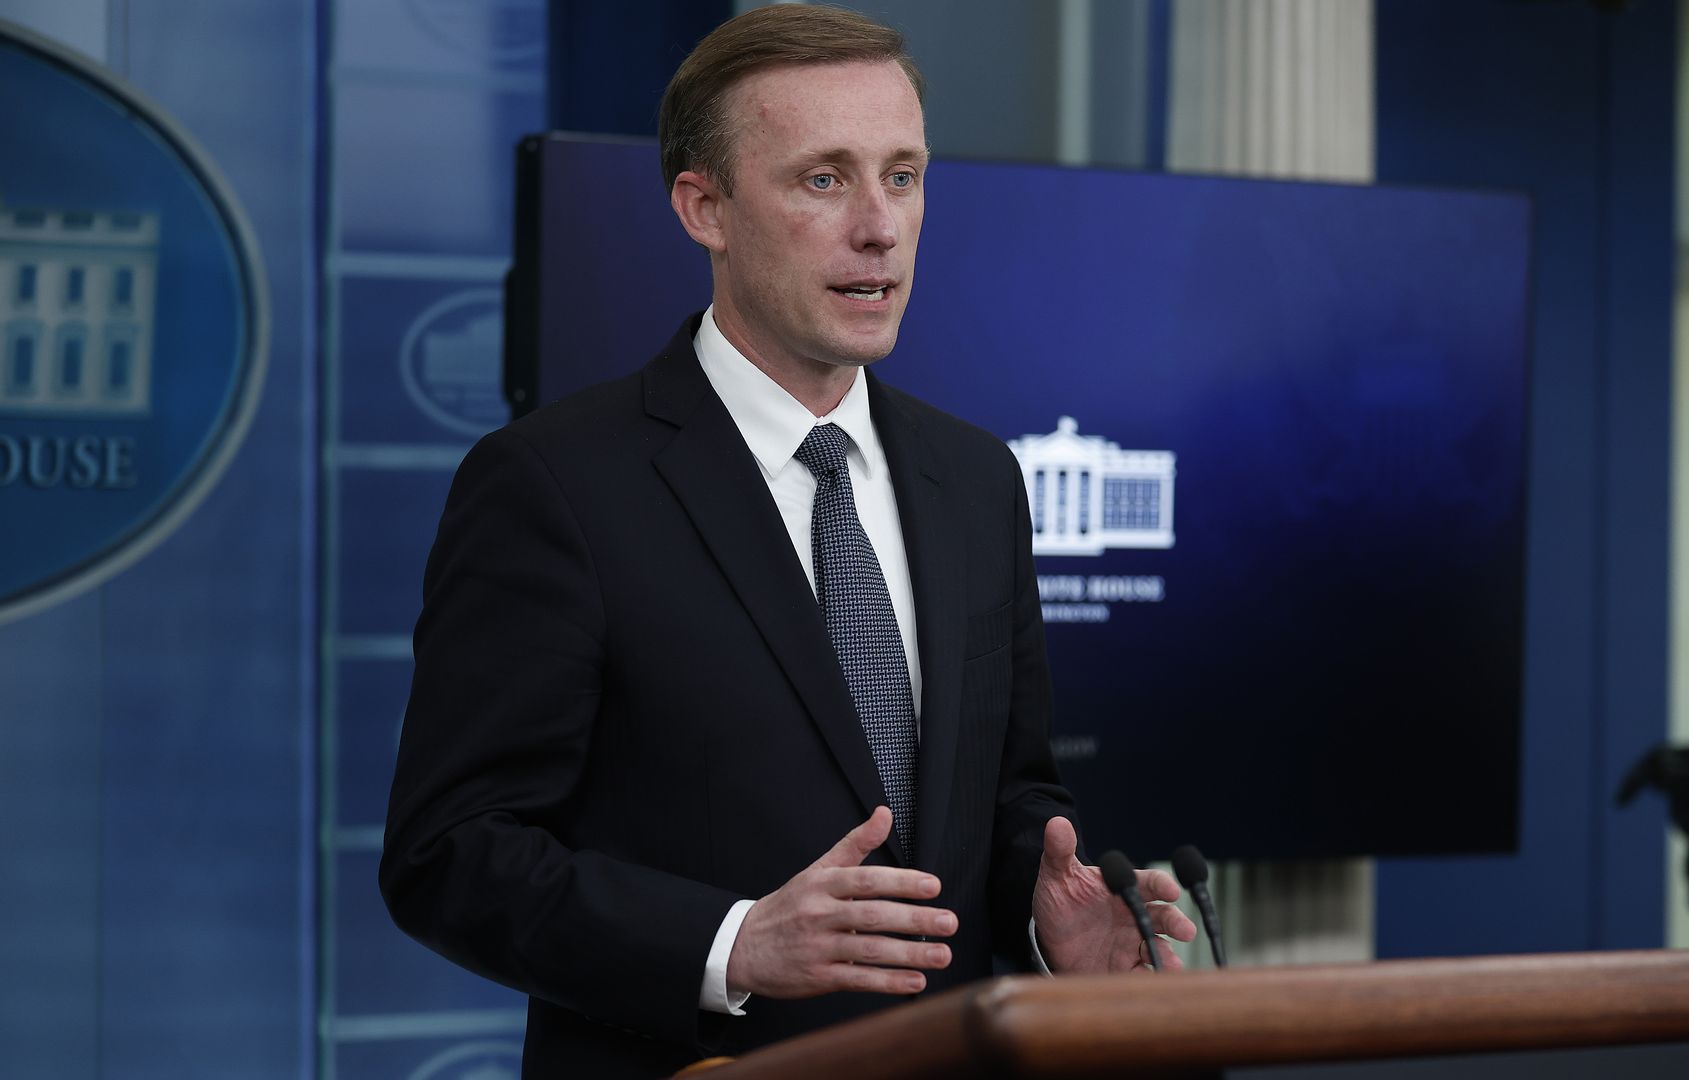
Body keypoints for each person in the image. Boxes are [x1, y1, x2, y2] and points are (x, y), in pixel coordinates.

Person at [380, 6, 1194, 1076]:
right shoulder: (554, 485)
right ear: (703, 206)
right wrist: (734, 943)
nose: (880, 227)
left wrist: (1053, 927)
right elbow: (451, 857)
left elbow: (1008, 802)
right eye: (825, 179)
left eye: (903, 176)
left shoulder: (976, 479)